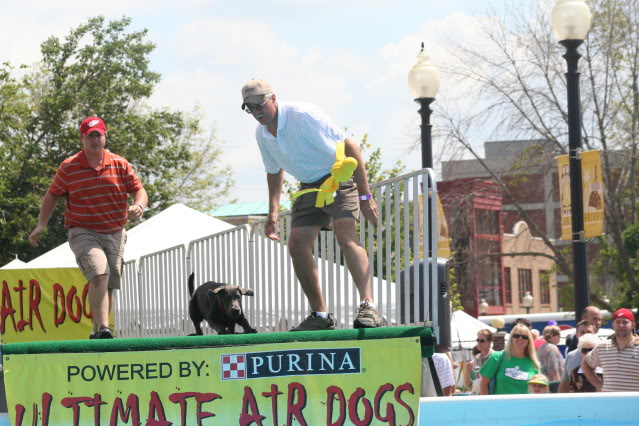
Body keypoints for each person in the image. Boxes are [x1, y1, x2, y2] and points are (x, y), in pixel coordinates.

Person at [240, 80, 383, 331]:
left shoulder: (303, 116)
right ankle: (320, 315)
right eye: (249, 108)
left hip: (339, 178)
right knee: (296, 245)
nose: (256, 112)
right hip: (309, 187)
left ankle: (368, 306)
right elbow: (274, 171)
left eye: (259, 104)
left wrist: (365, 195)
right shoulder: (261, 135)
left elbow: (351, 147)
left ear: (273, 98)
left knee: (346, 238)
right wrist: (272, 211)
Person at [29, 116, 147, 339]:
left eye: (98, 135)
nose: (94, 139)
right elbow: (52, 195)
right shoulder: (69, 167)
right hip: (82, 230)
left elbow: (139, 191)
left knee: (108, 282)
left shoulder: (120, 164)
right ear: (82, 138)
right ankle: (104, 328)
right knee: (99, 272)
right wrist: (41, 225)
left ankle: (97, 331)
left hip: (114, 231)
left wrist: (139, 205)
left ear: (105, 136)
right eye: (90, 136)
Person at [582, 308, 639, 392]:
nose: (621, 325)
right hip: (608, 402)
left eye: (625, 322)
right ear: (613, 325)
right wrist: (599, 385)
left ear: (633, 325)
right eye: (618, 322)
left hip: (634, 402)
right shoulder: (602, 347)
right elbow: (585, 364)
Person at [479, 323, 540, 395]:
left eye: (524, 337)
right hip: (500, 405)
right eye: (516, 336)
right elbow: (483, 383)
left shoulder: (533, 363)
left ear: (528, 341)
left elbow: (539, 388)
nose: (520, 338)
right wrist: (487, 405)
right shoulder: (497, 357)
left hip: (525, 405)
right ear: (511, 339)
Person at [558, 320, 594, 393]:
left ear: (594, 334)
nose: (585, 335)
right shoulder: (571, 356)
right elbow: (565, 382)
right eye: (582, 332)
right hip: (576, 400)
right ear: (577, 335)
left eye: (589, 332)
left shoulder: (602, 353)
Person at [466, 329, 494, 394]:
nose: (479, 343)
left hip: (492, 395)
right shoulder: (477, 358)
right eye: (478, 340)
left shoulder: (495, 357)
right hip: (480, 394)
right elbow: (477, 376)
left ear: (490, 342)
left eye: (482, 341)